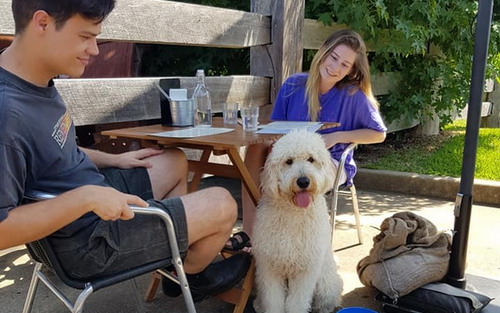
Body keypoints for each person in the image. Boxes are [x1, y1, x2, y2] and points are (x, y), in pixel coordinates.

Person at [0, 0, 250, 302]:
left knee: (172, 160)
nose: (94, 49)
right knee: (223, 203)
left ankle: (176, 261)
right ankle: (189, 277)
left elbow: (52, 148)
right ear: (42, 23)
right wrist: (86, 198)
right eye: (85, 36)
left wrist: (115, 159)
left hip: (90, 200)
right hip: (87, 244)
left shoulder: (32, 81)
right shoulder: (7, 113)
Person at [234, 29, 387, 245]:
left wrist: (336, 136)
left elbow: (379, 134)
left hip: (331, 160)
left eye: (344, 65)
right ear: (323, 52)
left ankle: (297, 244)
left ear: (351, 71)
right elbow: (276, 129)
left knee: (287, 169)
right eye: (334, 58)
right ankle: (250, 234)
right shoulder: (293, 85)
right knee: (257, 149)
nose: (335, 67)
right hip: (290, 157)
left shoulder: (353, 95)